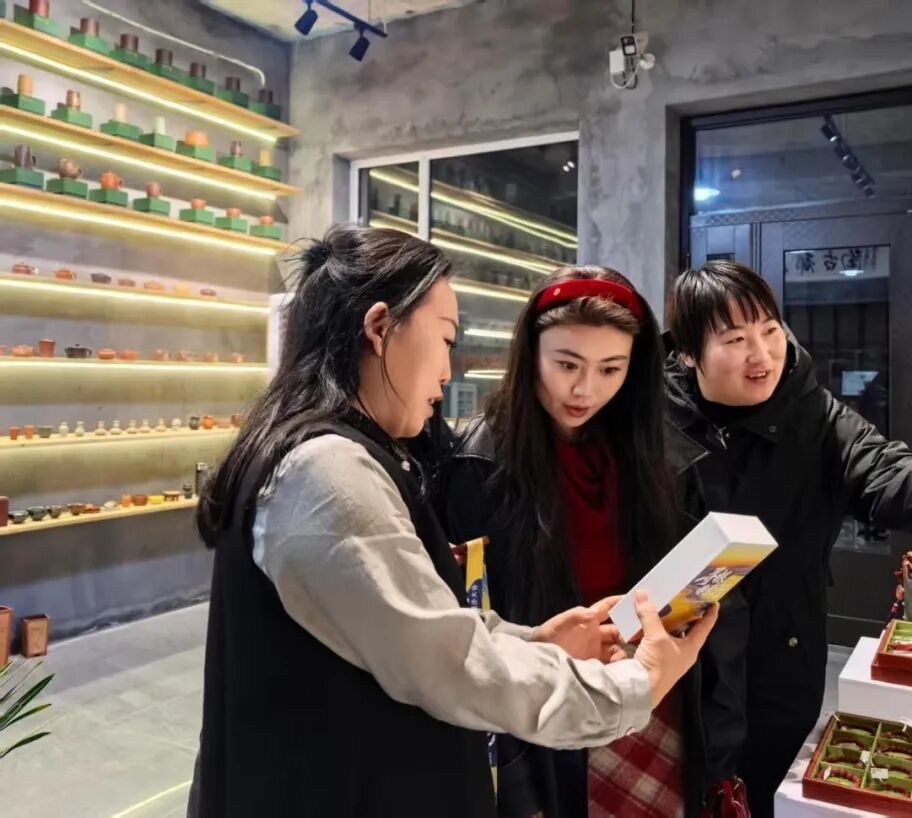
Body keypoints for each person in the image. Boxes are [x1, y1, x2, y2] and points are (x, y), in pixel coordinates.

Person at [187, 227, 717, 818]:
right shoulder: (327, 470)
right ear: (380, 327)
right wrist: (632, 689)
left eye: (611, 368)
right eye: (445, 339)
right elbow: (447, 663)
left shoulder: (323, 452)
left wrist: (535, 640)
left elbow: (421, 624)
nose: (447, 371)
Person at [663, 260, 912, 817]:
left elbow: (891, 478)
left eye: (770, 330)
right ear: (689, 354)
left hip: (779, 661)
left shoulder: (814, 414)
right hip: (673, 667)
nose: (761, 354)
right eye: (736, 340)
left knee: (762, 793)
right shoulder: (649, 420)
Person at [435, 266, 734, 818]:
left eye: (610, 369)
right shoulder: (478, 463)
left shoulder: (659, 452)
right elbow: (465, 632)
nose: (584, 389)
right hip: (544, 710)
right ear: (531, 355)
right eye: (567, 364)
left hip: (656, 696)